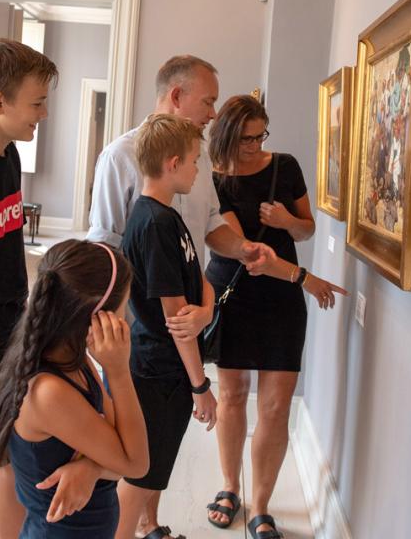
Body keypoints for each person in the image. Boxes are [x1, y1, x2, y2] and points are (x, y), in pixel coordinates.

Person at [87, 55, 274, 539]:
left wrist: (244, 252)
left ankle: (149, 523)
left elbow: (209, 232)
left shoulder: (197, 162)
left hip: (180, 331)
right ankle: (132, 525)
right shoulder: (119, 158)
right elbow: (104, 245)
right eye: (208, 100)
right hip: (146, 335)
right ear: (177, 96)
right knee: (136, 450)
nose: (214, 112)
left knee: (158, 447)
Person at [201, 95, 347, 539]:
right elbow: (250, 254)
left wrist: (286, 220)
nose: (254, 144)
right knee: (231, 395)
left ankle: (261, 504)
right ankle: (230, 487)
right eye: (246, 137)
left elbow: (308, 228)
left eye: (261, 135)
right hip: (232, 291)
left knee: (276, 405)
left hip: (280, 300)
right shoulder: (213, 176)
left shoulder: (285, 166)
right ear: (226, 132)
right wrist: (305, 277)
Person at [0, 239, 149, 537]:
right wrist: (119, 371)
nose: (129, 318)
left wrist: (91, 468)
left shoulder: (77, 360)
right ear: (99, 318)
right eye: (125, 307)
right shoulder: (49, 392)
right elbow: (136, 463)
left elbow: (120, 446)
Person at [116, 115, 217, 539]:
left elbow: (202, 282)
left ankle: (148, 526)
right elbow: (178, 322)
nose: (198, 169)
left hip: (167, 366)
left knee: (155, 464)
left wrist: (207, 311)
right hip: (159, 368)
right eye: (195, 161)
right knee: (140, 471)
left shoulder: (167, 217)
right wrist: (200, 386)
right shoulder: (154, 224)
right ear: (173, 163)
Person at [0, 38, 58, 537]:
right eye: (37, 102)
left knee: (9, 455)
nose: (44, 114)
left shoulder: (8, 153)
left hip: (9, 324)